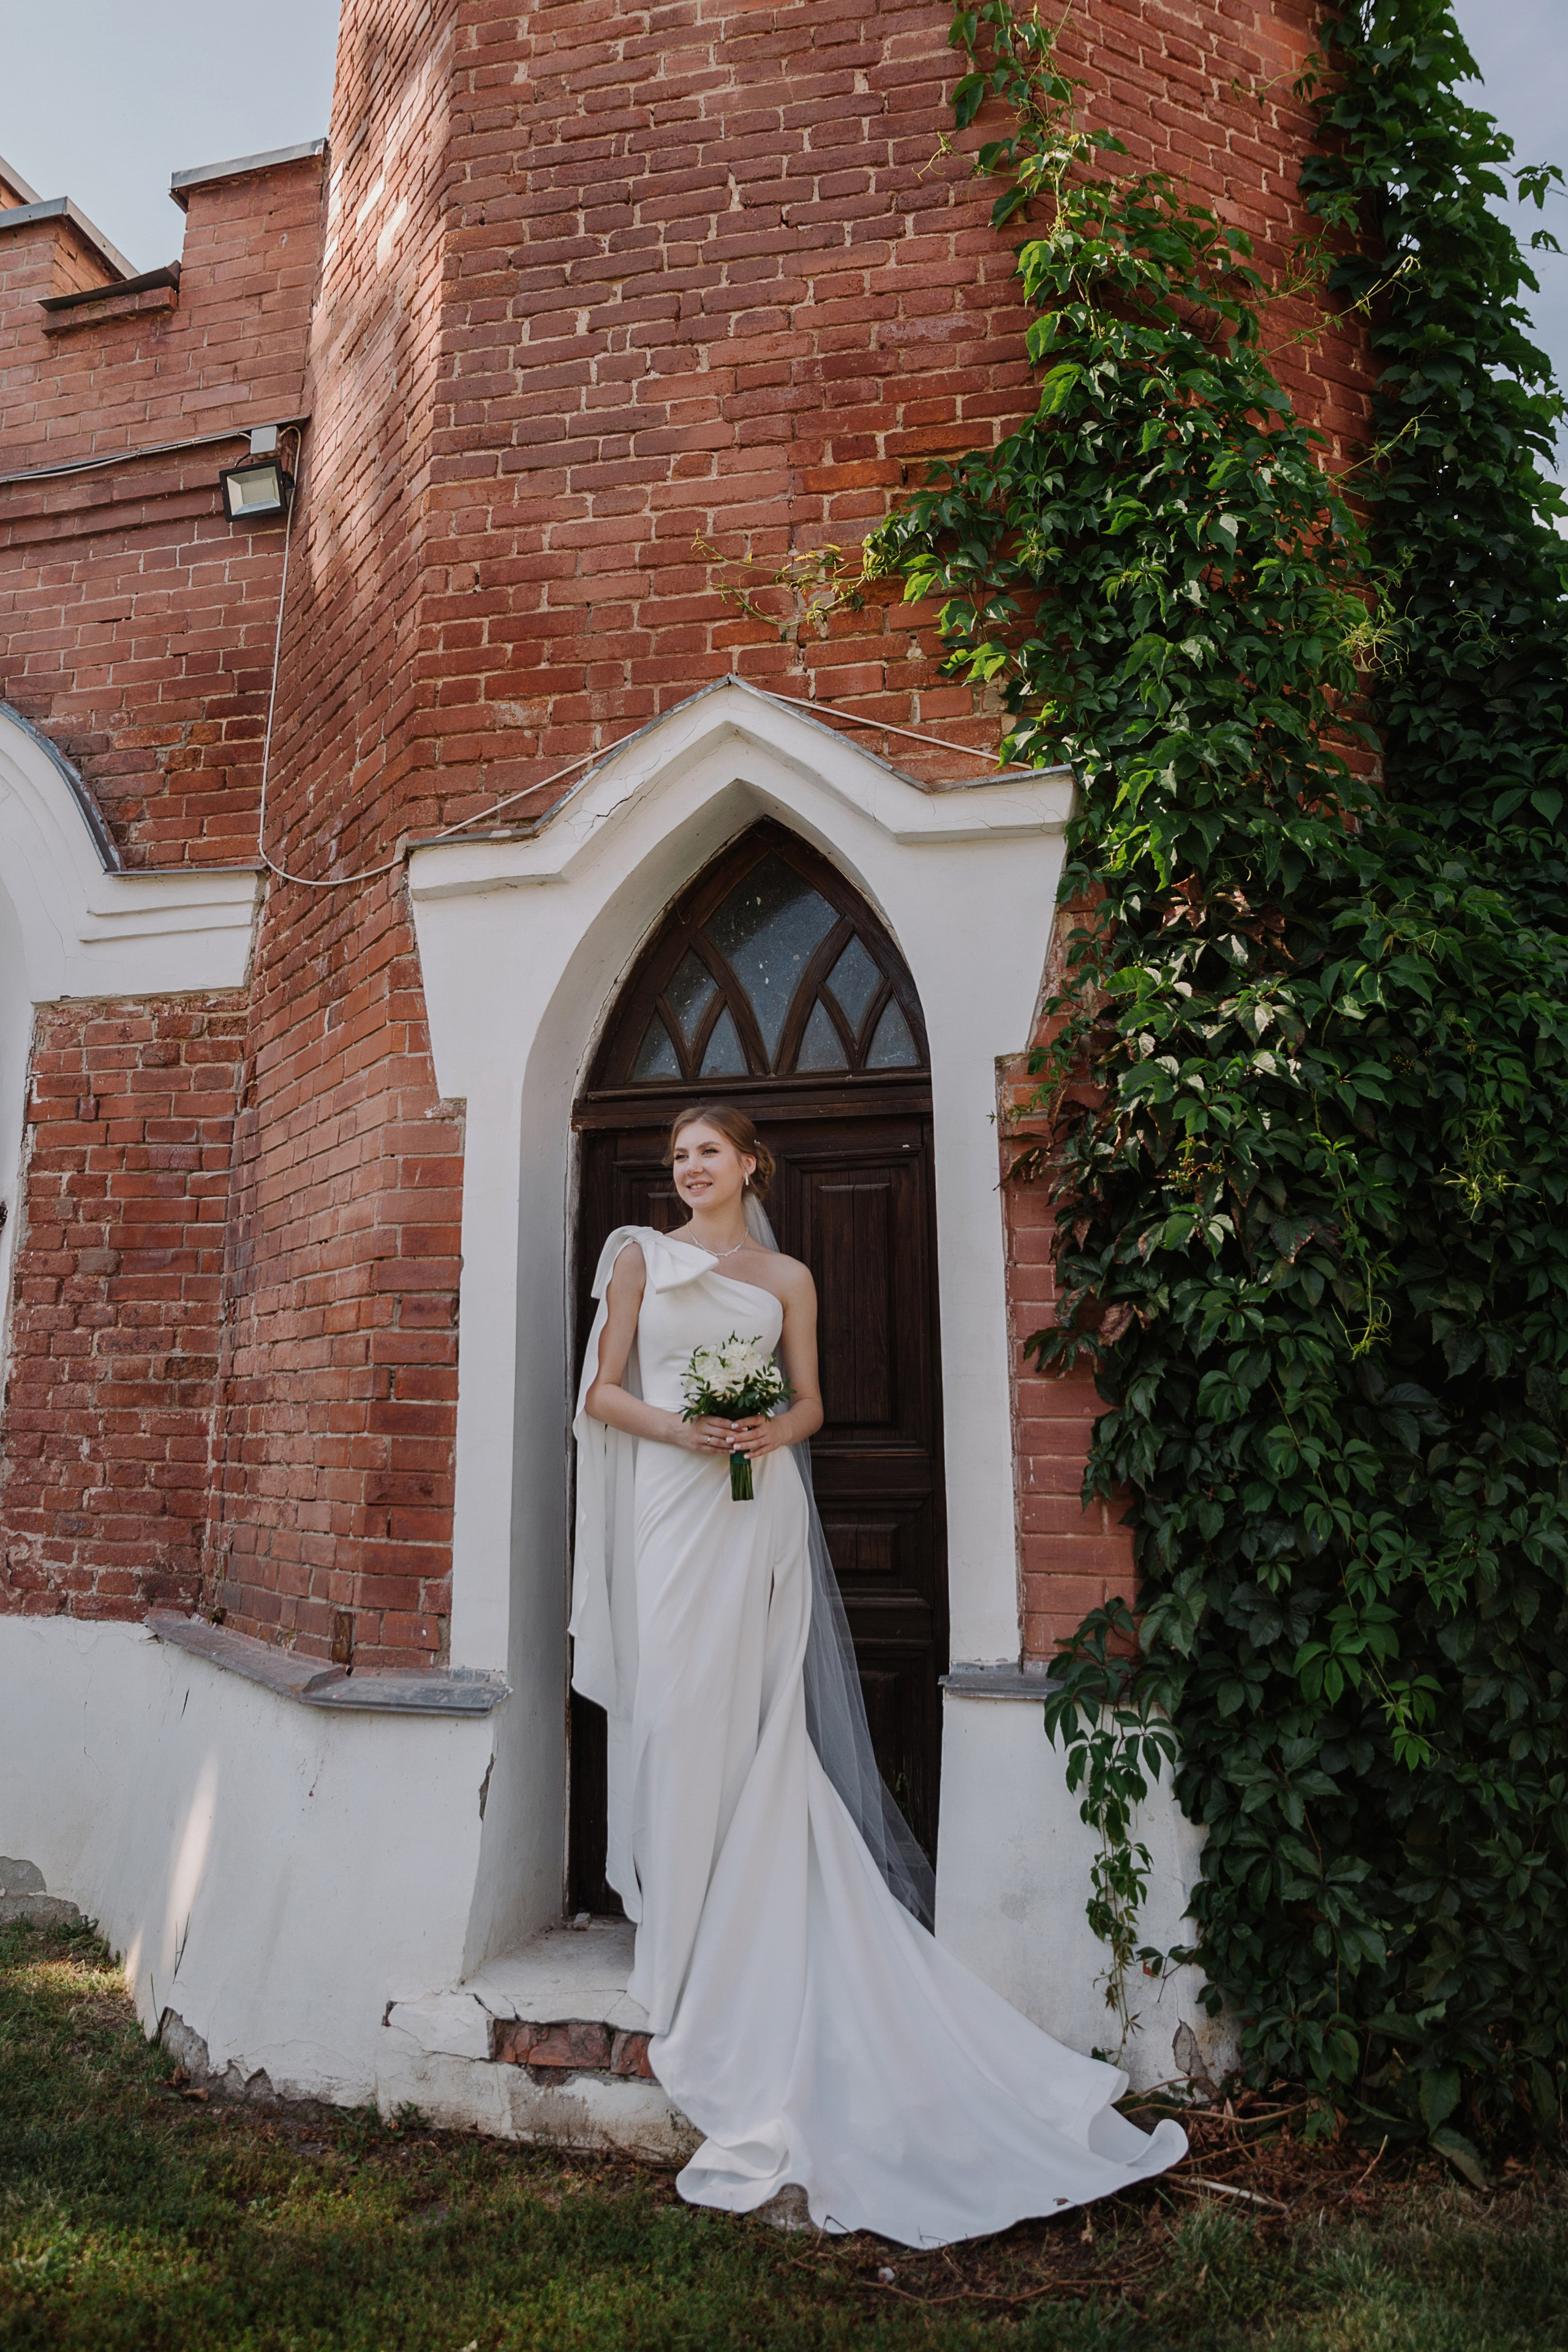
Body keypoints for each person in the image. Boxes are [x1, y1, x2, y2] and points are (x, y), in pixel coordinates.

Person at [572, 1102, 1186, 2246]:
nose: (688, 1168)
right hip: (672, 1503)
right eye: (676, 1157)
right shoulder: (636, 1260)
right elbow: (600, 1394)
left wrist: (768, 1432)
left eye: (707, 1151)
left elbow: (814, 1402)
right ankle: (681, 1933)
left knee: (750, 1711)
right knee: (673, 1715)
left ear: (750, 1163)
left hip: (758, 1510)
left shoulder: (791, 1274)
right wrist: (685, 1431)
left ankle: (738, 1914)